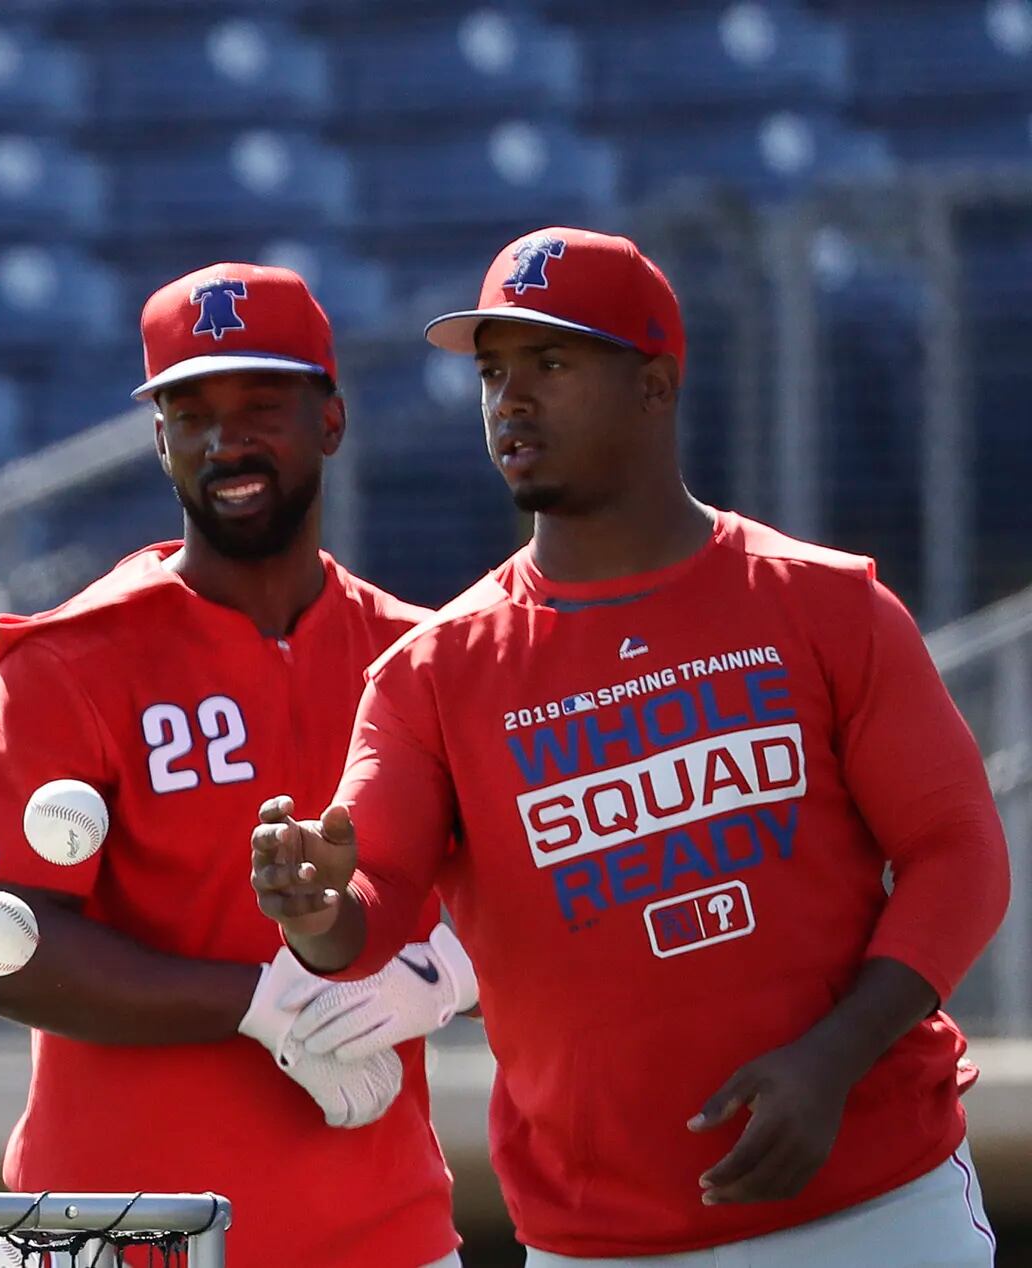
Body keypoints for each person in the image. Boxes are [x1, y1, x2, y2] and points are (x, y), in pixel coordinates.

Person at [251, 226, 1008, 1265]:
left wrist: (835, 1056)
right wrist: (320, 910)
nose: (509, 400)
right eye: (492, 372)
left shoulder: (828, 603)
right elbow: (368, 913)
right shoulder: (434, 672)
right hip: (604, 1238)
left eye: (551, 364)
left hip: (879, 1203)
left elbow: (959, 853)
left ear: (656, 385)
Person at [0, 263, 479, 1268]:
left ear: (330, 419)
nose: (226, 440)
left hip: (388, 1235)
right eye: (190, 412)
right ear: (159, 441)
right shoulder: (66, 658)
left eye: (260, 405)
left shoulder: (424, 656)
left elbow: (538, 891)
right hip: (124, 1239)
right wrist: (261, 1003)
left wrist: (442, 975)